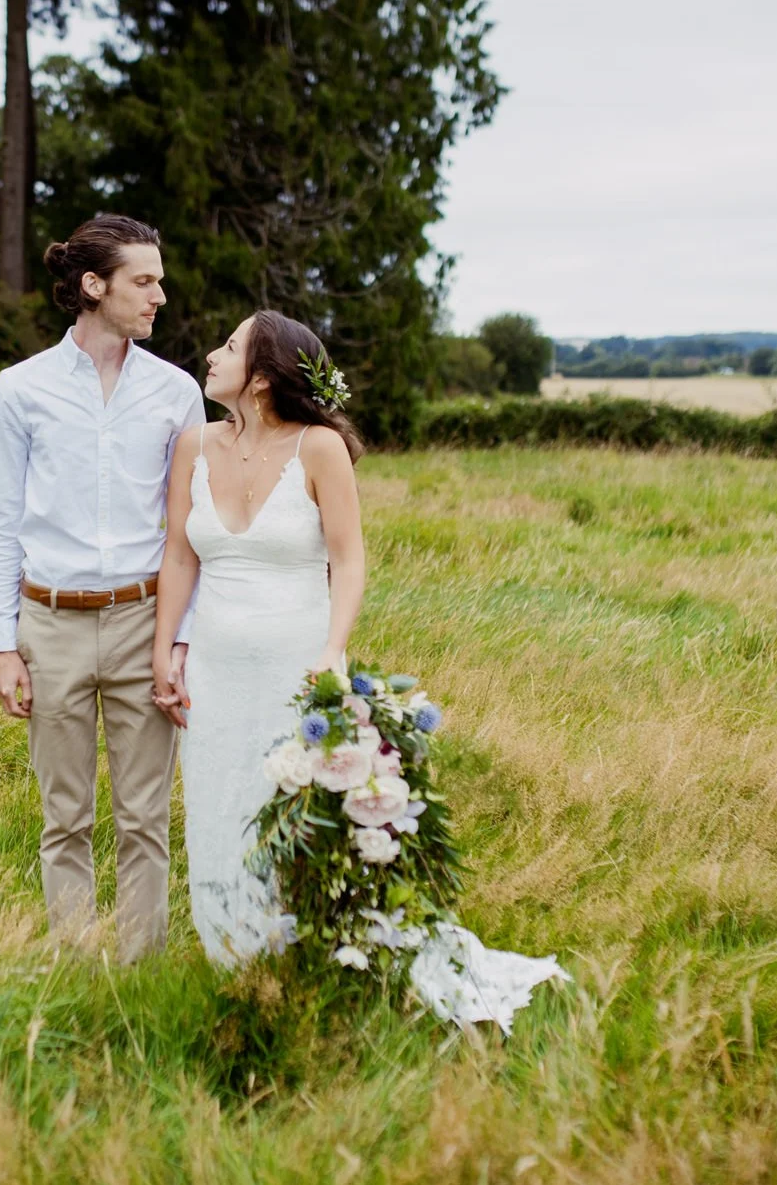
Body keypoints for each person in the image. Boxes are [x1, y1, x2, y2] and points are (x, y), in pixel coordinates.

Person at [152, 311, 569, 1025]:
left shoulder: (319, 449)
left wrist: (333, 651)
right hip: (214, 671)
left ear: (260, 377)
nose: (211, 356)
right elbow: (180, 557)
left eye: (229, 347)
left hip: (298, 667)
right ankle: (236, 961)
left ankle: (312, 953)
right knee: (220, 806)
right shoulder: (192, 444)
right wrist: (164, 650)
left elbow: (348, 558)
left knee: (294, 811)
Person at [0, 214, 206, 961]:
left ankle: (140, 971)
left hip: (146, 620)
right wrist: (4, 647)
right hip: (51, 627)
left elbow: (189, 531)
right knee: (63, 818)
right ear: (92, 285)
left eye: (159, 281)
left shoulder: (175, 395)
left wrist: (180, 638)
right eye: (145, 280)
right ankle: (75, 966)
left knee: (145, 820)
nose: (159, 296)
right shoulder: (20, 391)